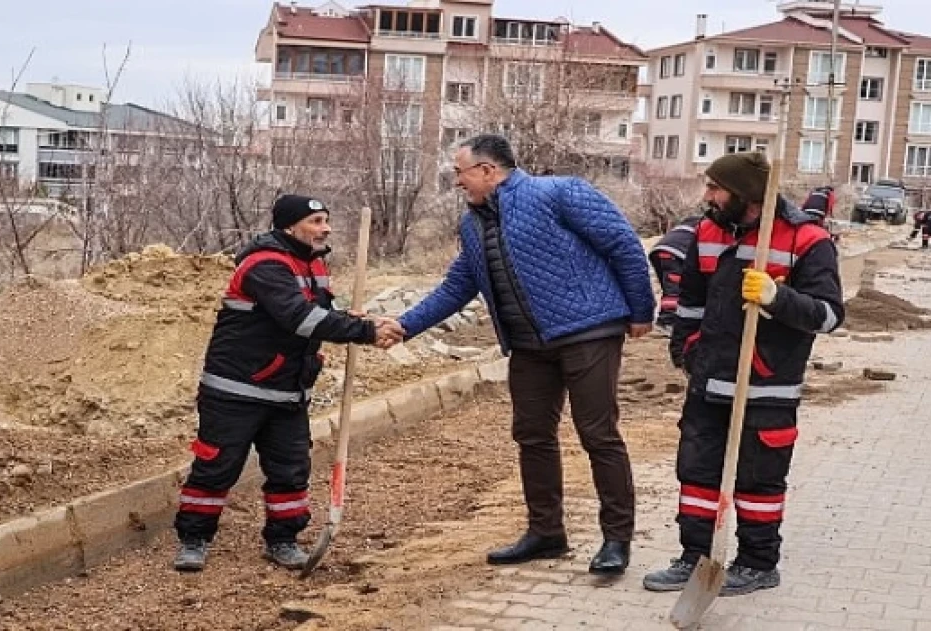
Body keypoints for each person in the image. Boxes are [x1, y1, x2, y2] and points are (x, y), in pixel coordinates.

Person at [397, 134, 656, 575]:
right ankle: (546, 533)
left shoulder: (558, 192)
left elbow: (623, 245)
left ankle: (616, 539)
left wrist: (640, 310)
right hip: (529, 345)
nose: (457, 181)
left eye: (460, 172)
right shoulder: (472, 224)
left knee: (598, 434)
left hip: (589, 331)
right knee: (532, 435)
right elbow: (458, 286)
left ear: (486, 170)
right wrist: (403, 326)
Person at [643, 152, 845, 596]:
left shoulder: (807, 241)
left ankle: (757, 564)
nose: (707, 196)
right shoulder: (708, 232)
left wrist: (777, 296)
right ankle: (693, 557)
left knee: (758, 481)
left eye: (715, 187)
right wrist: (687, 350)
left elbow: (830, 315)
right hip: (709, 380)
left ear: (745, 194)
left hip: (769, 385)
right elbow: (690, 301)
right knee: (696, 473)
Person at [173, 194, 404, 572]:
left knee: (291, 468)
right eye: (315, 221)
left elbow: (321, 314)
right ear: (289, 226)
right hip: (236, 390)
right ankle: (194, 538)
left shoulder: (312, 266)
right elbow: (301, 319)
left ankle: (283, 539)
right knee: (218, 467)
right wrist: (364, 331)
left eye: (326, 220)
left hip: (288, 391)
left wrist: (354, 319)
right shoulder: (264, 264)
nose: (325, 228)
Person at [649, 214, 704, 334]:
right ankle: (667, 321)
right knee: (674, 290)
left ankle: (667, 318)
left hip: (660, 249)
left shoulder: (693, 222)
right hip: (677, 252)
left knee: (669, 288)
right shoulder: (708, 224)